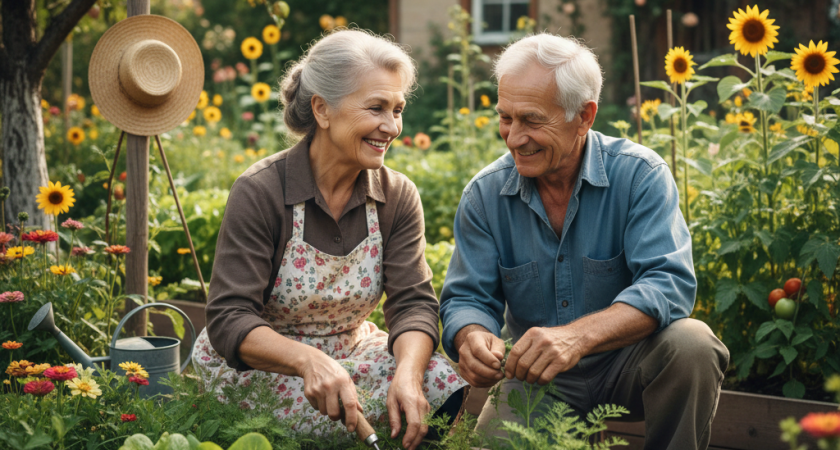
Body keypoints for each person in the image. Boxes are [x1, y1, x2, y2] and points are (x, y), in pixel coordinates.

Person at [439, 34, 729, 450]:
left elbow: (669, 283)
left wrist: (577, 338)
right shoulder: (485, 195)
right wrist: (471, 336)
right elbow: (467, 298)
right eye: (506, 117)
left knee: (692, 344)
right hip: (537, 379)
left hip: (630, 362)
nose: (513, 137)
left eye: (532, 120)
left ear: (585, 116)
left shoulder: (640, 175)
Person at [192, 29, 467, 450]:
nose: (391, 127)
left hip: (351, 353)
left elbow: (412, 304)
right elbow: (230, 318)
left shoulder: (396, 196)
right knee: (304, 425)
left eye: (398, 109)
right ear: (322, 109)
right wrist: (308, 361)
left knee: (437, 380)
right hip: (265, 366)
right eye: (375, 108)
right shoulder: (261, 191)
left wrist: (407, 377)